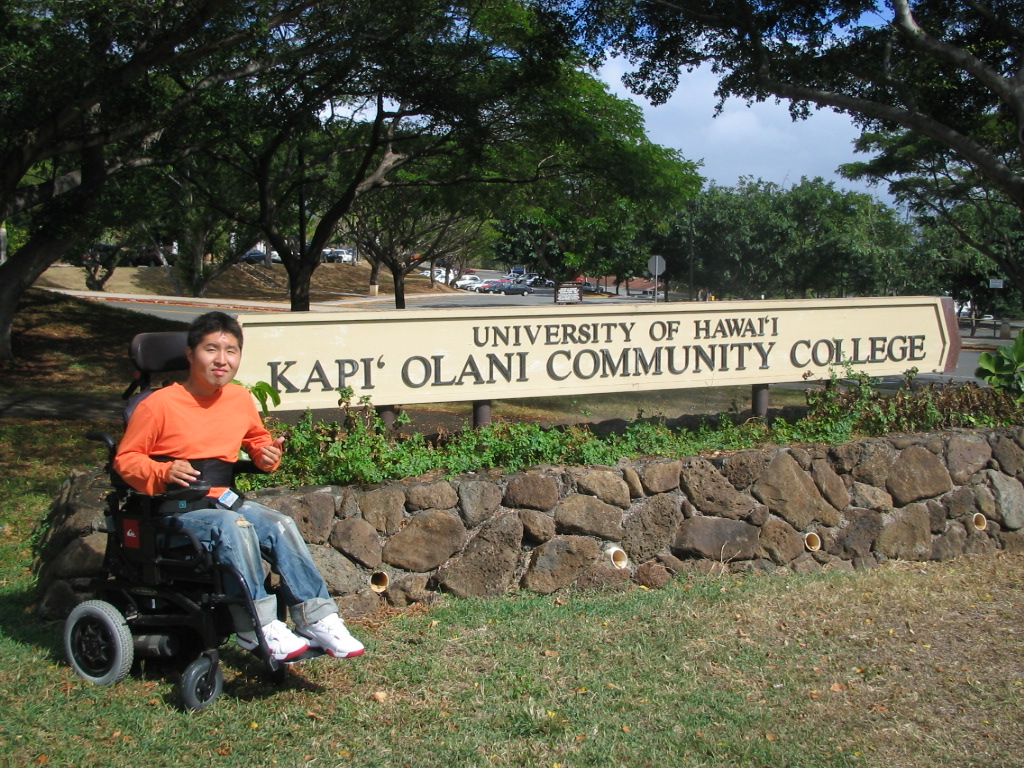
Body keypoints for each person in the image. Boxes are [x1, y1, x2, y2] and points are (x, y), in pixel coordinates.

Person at [113, 311, 364, 662]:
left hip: (222, 500)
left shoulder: (239, 399)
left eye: (231, 351)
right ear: (190, 354)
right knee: (234, 527)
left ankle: (319, 619)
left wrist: (266, 455)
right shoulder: (157, 406)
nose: (222, 359)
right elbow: (126, 461)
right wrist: (164, 471)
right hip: (175, 511)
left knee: (280, 524)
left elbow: (258, 440)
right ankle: (260, 626)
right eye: (211, 349)